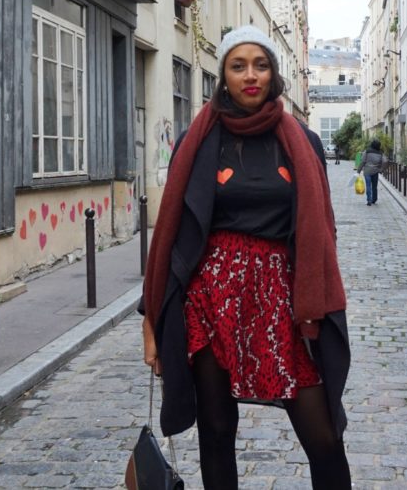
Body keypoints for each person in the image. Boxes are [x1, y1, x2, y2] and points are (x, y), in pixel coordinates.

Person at [141, 25, 352, 489]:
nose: (250, 75)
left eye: (260, 65)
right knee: (217, 430)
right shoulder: (198, 141)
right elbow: (171, 234)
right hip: (210, 300)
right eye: (238, 66)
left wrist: (319, 301)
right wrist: (151, 319)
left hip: (285, 302)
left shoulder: (303, 141)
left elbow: (322, 232)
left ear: (274, 73)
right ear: (224, 75)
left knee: (323, 434)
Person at [358, 139, 386, 206]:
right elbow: (385, 161)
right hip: (375, 171)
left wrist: (358, 170)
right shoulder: (380, 153)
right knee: (374, 186)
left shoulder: (367, 151)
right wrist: (381, 169)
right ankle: (374, 199)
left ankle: (369, 200)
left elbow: (363, 161)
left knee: (368, 186)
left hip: (367, 171)